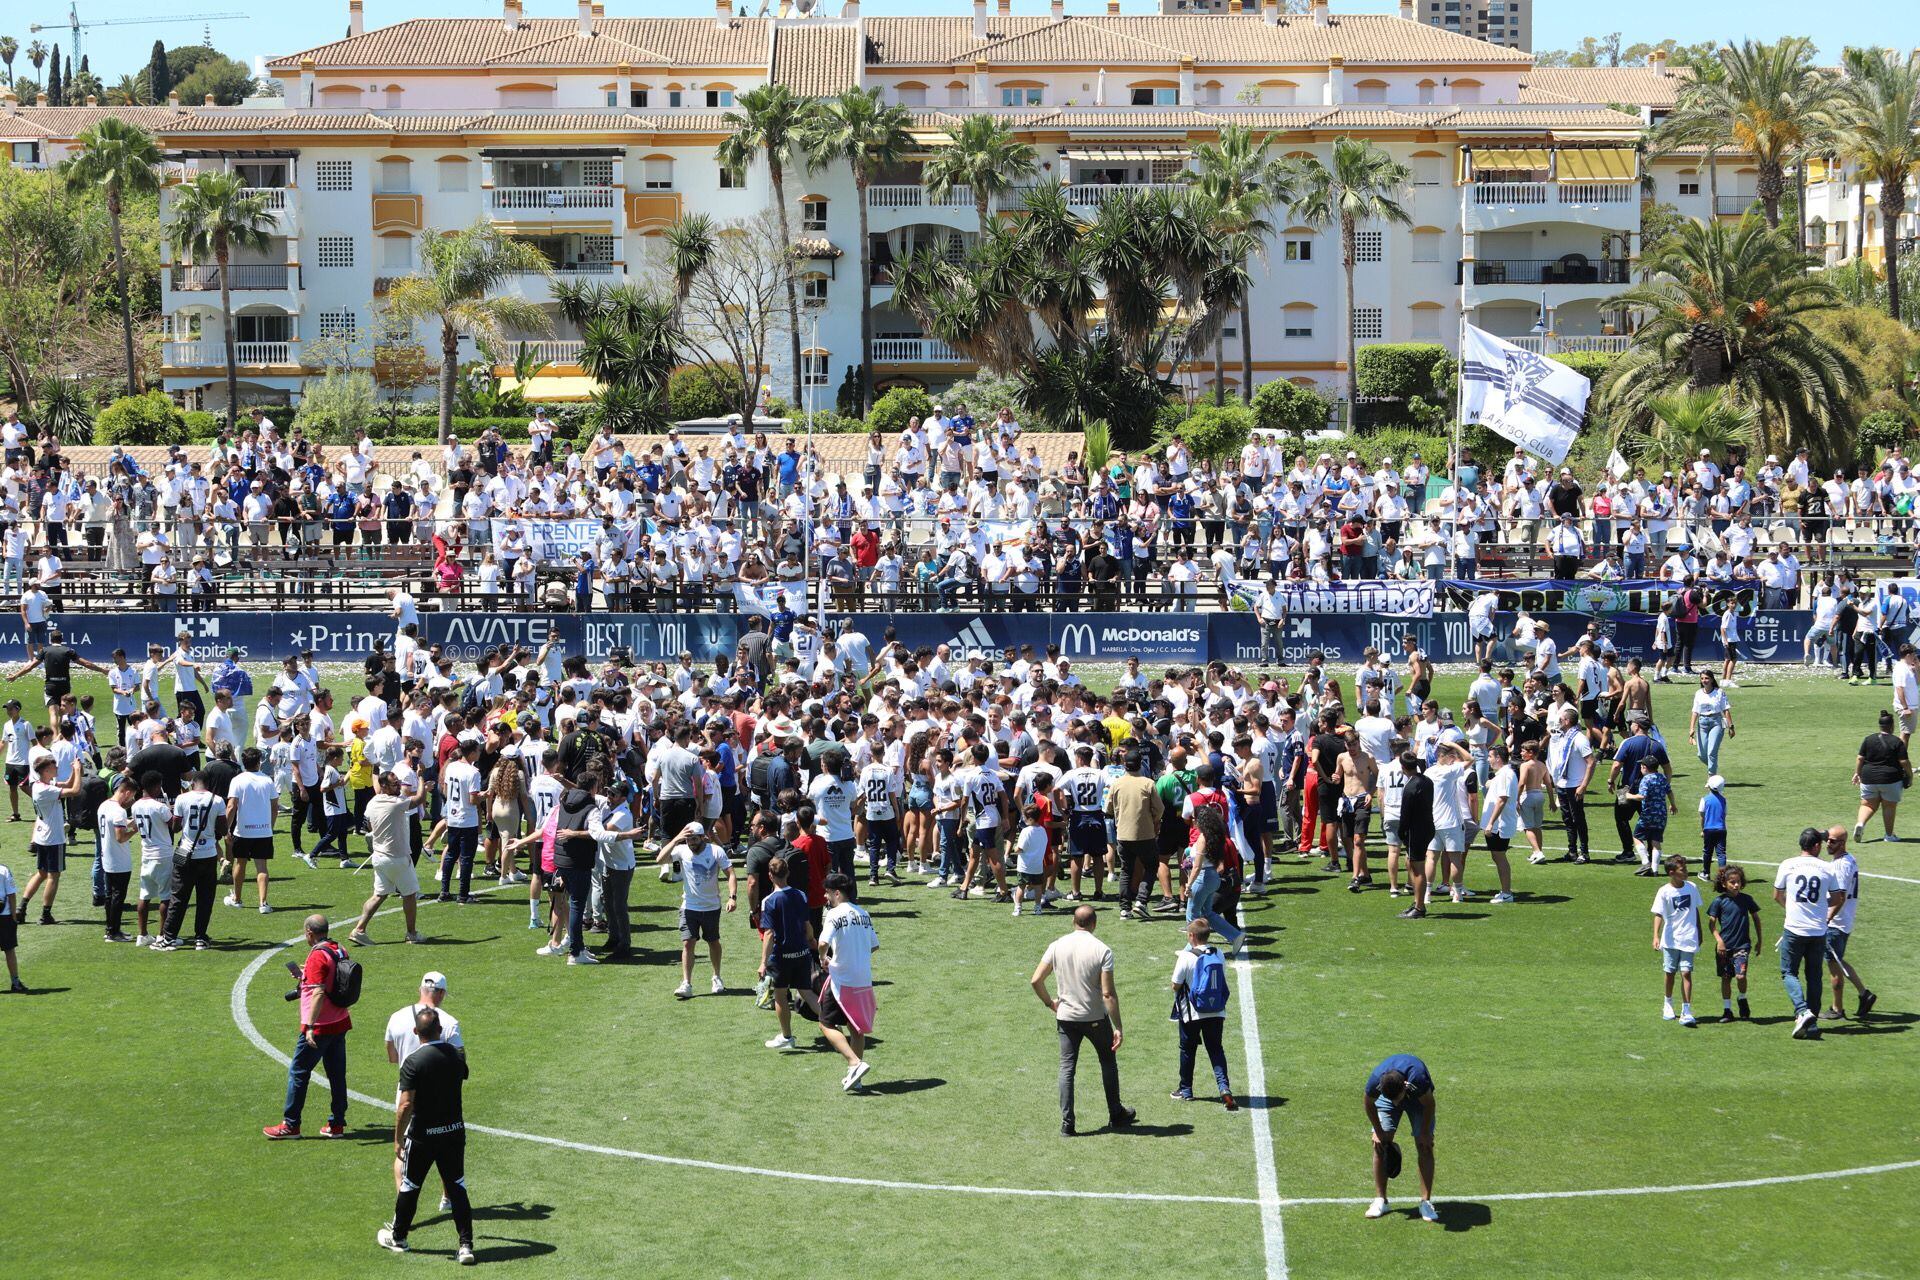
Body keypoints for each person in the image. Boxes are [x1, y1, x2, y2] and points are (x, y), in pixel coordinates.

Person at [376, 1007, 476, 1266]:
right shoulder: (454, 1057)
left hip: (422, 1136)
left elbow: (406, 1105)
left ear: (415, 1032)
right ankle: (465, 1246)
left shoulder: (413, 1061)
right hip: (453, 1131)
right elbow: (462, 1073)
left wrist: (398, 1138)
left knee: (410, 1186)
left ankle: (398, 1238)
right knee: (457, 1186)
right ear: (440, 1030)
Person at [1030, 903, 1134, 1137]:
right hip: (1095, 1017)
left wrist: (1050, 1003)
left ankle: (1068, 1124)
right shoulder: (1102, 950)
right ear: (1094, 923)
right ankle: (1116, 1113)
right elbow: (1107, 994)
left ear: (1073, 922)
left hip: (1066, 1017)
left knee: (1067, 1068)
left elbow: (1036, 980)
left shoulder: (1057, 945)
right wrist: (1118, 1026)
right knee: (1108, 1062)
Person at [264, 914, 352, 1140]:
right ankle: (337, 1124)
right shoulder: (339, 949)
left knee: (299, 1071)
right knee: (336, 1074)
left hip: (321, 1025)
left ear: (309, 933)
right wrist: (306, 976)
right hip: (339, 1020)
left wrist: (310, 1026)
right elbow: (334, 980)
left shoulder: (317, 955)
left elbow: (320, 991)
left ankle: (291, 1125)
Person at [385, 971, 464, 1216]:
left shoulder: (396, 1017)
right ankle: (447, 1197)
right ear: (440, 993)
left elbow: (392, 1057)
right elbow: (460, 1064)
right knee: (446, 1151)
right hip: (441, 1098)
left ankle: (404, 1209)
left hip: (407, 1093)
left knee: (403, 1153)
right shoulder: (449, 1022)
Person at [1773, 828, 1847, 1040]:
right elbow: (1837, 899)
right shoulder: (1827, 868)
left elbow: (1777, 894)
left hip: (1794, 929)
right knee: (1814, 975)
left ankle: (1802, 1011)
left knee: (1788, 972)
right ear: (1815, 846)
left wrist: (1791, 908)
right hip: (1818, 930)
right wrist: (1820, 907)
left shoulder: (1788, 864)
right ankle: (1811, 1023)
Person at [657, 821, 735, 998]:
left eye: (694, 839)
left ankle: (716, 976)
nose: (691, 842)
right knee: (688, 943)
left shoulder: (716, 851)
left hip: (711, 907)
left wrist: (732, 897)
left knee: (713, 941)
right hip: (689, 907)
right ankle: (687, 983)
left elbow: (730, 873)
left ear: (702, 837)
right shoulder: (682, 850)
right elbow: (660, 859)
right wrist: (676, 839)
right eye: (688, 839)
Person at [817, 873, 878, 1092]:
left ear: (837, 893)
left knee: (825, 1023)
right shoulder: (864, 913)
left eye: (827, 892)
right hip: (863, 979)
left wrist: (824, 958)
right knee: (856, 1028)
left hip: (842, 979)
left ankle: (854, 1062)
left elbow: (823, 942)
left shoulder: (834, 914)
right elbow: (873, 945)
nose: (825, 896)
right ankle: (856, 1078)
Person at [1168, 917, 1235, 1110]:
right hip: (1216, 1011)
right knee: (1216, 1049)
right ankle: (1224, 1088)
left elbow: (1175, 985)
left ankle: (1186, 1090)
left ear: (1191, 936)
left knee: (1188, 1049)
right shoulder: (1219, 954)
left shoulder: (1186, 957)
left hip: (1192, 1013)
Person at [1363, 1053, 1439, 1223]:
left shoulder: (1417, 1080)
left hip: (1418, 1101)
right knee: (1380, 1143)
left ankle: (1425, 1202)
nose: (1397, 1104)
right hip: (1391, 1095)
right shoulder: (1376, 1081)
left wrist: (1425, 1132)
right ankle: (1381, 1200)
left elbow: (1429, 1104)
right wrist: (1378, 1131)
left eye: (1399, 1099)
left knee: (1424, 1145)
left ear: (1405, 1086)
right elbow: (1368, 1103)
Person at [350, 771, 422, 946]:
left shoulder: (373, 802)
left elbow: (368, 824)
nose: (398, 787)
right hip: (396, 857)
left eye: (398, 783)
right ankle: (411, 933)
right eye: (394, 784)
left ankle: (359, 930)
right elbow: (418, 799)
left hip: (379, 856)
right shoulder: (396, 803)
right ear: (383, 786)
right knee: (410, 894)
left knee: (379, 895)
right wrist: (421, 779)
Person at [15, 756, 86, 926]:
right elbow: (75, 791)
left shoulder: (40, 786)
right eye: (54, 767)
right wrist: (77, 770)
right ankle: (46, 914)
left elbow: (68, 784)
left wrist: (75, 771)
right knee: (53, 876)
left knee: (41, 873)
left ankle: (21, 908)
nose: (56, 768)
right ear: (46, 770)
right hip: (53, 838)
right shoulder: (46, 790)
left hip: (42, 836)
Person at [756, 856, 815, 1051]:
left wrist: (763, 962)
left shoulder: (769, 901)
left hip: (781, 957)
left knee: (781, 995)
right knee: (806, 992)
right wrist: (812, 941)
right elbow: (807, 926)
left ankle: (787, 1037)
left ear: (770, 876)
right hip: (802, 953)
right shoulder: (801, 895)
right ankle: (831, 1023)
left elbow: (769, 934)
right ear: (788, 873)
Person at [1822, 826, 1877, 1023]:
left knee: (1833, 963)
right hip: (1844, 919)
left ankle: (1837, 1008)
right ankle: (1864, 994)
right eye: (1827, 840)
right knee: (1838, 960)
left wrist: (1827, 918)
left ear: (1842, 843)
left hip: (1836, 921)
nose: (1828, 843)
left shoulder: (1840, 866)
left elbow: (1841, 897)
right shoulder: (1848, 859)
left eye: (1832, 841)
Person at [225, 748, 279, 915]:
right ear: (259, 762)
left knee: (240, 863)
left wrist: (226, 829)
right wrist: (269, 826)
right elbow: (274, 807)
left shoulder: (237, 780)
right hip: (263, 831)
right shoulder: (267, 781)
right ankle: (263, 903)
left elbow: (231, 806)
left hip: (243, 831)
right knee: (262, 866)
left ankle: (237, 899)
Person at [1651, 854, 1703, 1026]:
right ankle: (1668, 1003)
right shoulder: (1664, 891)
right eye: (1683, 870)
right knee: (1670, 972)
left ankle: (1686, 1010)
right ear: (1672, 872)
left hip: (1689, 938)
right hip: (1671, 940)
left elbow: (1695, 911)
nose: (1686, 872)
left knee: (1686, 972)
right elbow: (1658, 914)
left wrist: (1699, 932)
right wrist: (1656, 936)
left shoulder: (1692, 887)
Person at [1708, 865, 1762, 1022]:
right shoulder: (1718, 901)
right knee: (1726, 978)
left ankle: (1742, 998)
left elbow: (1756, 919)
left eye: (1738, 882)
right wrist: (1719, 941)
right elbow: (1711, 924)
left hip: (1742, 946)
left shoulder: (1746, 900)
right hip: (1724, 948)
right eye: (1732, 882)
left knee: (1740, 976)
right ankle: (1727, 1010)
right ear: (1724, 884)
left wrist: (1759, 940)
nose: (1736, 885)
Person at [1852, 710, 1910, 844]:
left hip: (1868, 778)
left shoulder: (1869, 739)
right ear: (1892, 726)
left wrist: (1857, 773)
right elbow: (1904, 762)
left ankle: (1860, 823)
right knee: (1889, 806)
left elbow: (1860, 758)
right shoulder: (1897, 742)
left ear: (1880, 726)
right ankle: (1889, 835)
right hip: (1890, 779)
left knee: (1868, 804)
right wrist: (1909, 776)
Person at [1698, 774, 1729, 881]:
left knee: (1707, 851)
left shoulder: (1704, 799)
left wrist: (1702, 830)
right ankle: (1723, 877)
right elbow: (1724, 815)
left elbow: (1702, 816)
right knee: (1721, 853)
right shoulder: (1724, 800)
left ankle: (1706, 873)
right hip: (1721, 829)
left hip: (1709, 830)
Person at [0, 855, 22, 991]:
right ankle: (15, 982)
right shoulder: (4, 870)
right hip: (5, 917)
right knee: (9, 951)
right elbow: (12, 895)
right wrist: (14, 917)